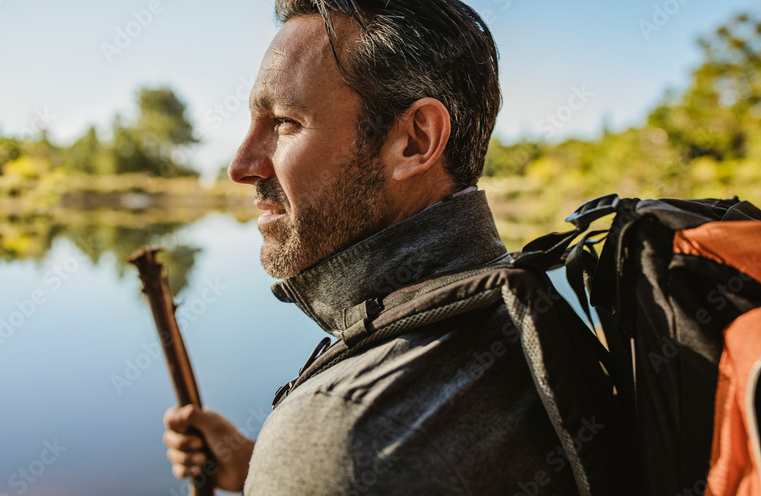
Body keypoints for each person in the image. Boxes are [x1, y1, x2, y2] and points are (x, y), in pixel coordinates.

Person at [163, 1, 581, 494]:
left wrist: (301, 463)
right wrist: (262, 470)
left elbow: (359, 453)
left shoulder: (343, 428)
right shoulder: (517, 308)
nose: (240, 165)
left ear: (414, 140)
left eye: (284, 123)